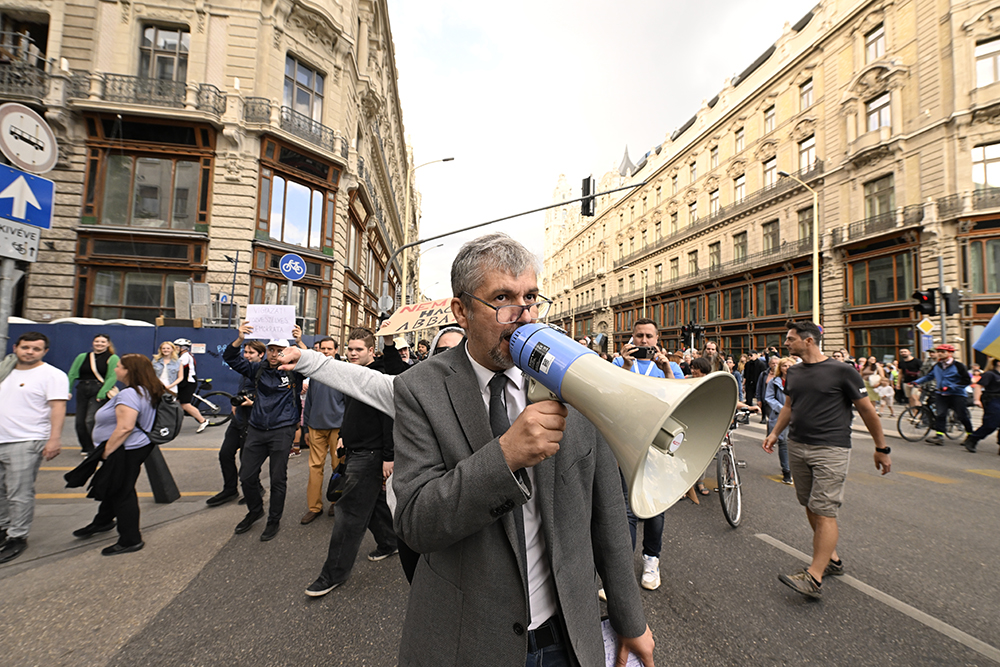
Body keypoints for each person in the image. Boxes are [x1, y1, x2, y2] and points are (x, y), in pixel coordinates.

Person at [390, 233, 654, 666]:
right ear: (462, 310)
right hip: (468, 638)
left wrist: (630, 619)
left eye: (531, 297)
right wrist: (505, 456)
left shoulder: (574, 376)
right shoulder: (420, 389)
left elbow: (606, 509)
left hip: (565, 631)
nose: (524, 316)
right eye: (503, 299)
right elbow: (417, 523)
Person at [763, 321, 891, 599]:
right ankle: (831, 559)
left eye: (790, 339)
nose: (786, 343)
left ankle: (814, 576)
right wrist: (775, 433)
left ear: (809, 341)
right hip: (798, 445)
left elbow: (868, 410)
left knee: (824, 509)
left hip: (830, 449)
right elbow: (789, 406)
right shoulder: (794, 372)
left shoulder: (843, 371)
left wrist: (881, 447)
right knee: (809, 503)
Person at [304, 328, 398, 596]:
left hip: (371, 454)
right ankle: (389, 542)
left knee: (349, 513)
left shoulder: (378, 375)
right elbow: (351, 411)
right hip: (356, 449)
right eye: (350, 348)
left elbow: (388, 417)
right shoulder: (352, 375)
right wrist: (345, 434)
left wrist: (388, 456)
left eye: (358, 349)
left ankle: (332, 574)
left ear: (371, 350)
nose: (352, 353)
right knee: (373, 504)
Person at [222, 324, 306, 541]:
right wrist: (240, 339)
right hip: (258, 429)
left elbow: (314, 365)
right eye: (271, 350)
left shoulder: (295, 371)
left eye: (280, 350)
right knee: (246, 476)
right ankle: (255, 510)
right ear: (266, 351)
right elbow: (231, 358)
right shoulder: (257, 368)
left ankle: (273, 520)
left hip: (282, 430)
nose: (275, 354)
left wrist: (299, 343)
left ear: (286, 353)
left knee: (278, 478)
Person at [73, 354, 161, 555]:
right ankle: (102, 521)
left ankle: (130, 540)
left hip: (125, 449)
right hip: (134, 447)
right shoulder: (145, 390)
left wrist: (106, 452)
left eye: (119, 366)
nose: (115, 369)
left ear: (130, 371)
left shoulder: (129, 394)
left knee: (122, 491)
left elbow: (125, 428)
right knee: (114, 484)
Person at [612, 318, 676, 591]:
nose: (644, 341)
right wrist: (625, 366)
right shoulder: (618, 364)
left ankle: (652, 560)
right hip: (625, 442)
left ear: (657, 339)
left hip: (656, 444)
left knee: (653, 508)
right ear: (631, 338)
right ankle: (623, 569)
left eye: (649, 336)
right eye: (639, 336)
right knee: (626, 508)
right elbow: (612, 395)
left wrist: (668, 370)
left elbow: (679, 398)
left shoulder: (665, 366)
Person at [0, 333, 67, 563]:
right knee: (0, 490)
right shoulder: (5, 370)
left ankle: (17, 536)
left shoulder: (52, 375)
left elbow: (57, 408)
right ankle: (3, 528)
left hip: (27, 440)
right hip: (1, 438)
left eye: (36, 349)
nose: (30, 352)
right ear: (16, 347)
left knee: (19, 491)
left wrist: (54, 439)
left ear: (44, 352)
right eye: (25, 347)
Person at [205, 340, 267, 507]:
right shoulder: (245, 370)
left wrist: (253, 403)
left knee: (247, 460)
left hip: (253, 421)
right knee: (225, 454)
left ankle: (255, 488)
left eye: (251, 353)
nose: (246, 356)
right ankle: (230, 489)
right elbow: (231, 358)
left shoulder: (264, 371)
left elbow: (271, 397)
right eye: (245, 352)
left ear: (261, 355)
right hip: (238, 419)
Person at [300, 337, 346, 524]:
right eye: (322, 348)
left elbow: (348, 402)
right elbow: (308, 401)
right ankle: (314, 507)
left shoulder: (343, 371)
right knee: (314, 468)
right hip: (315, 426)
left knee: (338, 468)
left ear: (336, 350)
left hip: (337, 428)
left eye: (329, 348)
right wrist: (305, 427)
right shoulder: (314, 371)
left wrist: (346, 430)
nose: (325, 351)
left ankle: (336, 501)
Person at [67, 334, 119, 455]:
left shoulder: (113, 358)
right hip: (82, 389)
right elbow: (72, 374)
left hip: (99, 389)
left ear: (108, 344)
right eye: (97, 341)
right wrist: (67, 390)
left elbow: (112, 376)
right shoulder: (82, 357)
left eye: (102, 342)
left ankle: (96, 447)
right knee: (79, 421)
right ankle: (86, 447)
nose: (99, 344)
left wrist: (102, 393)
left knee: (91, 420)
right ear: (92, 343)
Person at [911, 344, 973, 445]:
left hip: (957, 394)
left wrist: (950, 387)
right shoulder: (937, 366)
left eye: (943, 352)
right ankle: (939, 436)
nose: (940, 353)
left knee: (962, 416)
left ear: (950, 353)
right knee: (941, 414)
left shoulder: (958, 366)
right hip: (941, 394)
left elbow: (966, 381)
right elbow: (928, 376)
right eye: (939, 351)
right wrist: (916, 382)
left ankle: (970, 435)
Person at [765, 357, 794, 485]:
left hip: (798, 415)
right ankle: (786, 471)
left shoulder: (799, 381)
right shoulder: (774, 382)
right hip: (780, 415)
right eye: (784, 366)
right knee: (783, 442)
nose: (787, 368)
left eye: (790, 366)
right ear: (780, 368)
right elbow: (769, 398)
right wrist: (783, 410)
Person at [965, 357, 1000, 453]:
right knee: (991, 423)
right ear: (998, 363)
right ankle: (973, 438)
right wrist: (976, 399)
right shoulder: (990, 374)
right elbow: (978, 386)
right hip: (993, 399)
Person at [173, 338, 208, 433]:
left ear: (183, 348)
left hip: (188, 383)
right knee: (177, 402)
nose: (174, 349)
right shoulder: (185, 355)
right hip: (185, 382)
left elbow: (175, 368)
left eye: (176, 347)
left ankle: (203, 420)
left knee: (185, 404)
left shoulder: (184, 357)